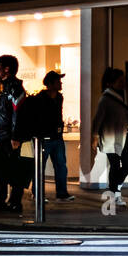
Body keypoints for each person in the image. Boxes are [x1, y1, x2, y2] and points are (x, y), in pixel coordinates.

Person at [92, 67, 128, 206]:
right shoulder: (105, 99)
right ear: (110, 83)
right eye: (120, 81)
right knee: (114, 165)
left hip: (126, 136)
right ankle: (114, 194)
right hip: (110, 138)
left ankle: (116, 188)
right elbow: (98, 119)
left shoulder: (126, 94)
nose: (123, 83)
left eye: (123, 80)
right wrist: (95, 136)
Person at [0, 54, 28, 213]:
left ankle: (12, 202)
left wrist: (15, 136)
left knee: (11, 171)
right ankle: (5, 201)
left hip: (8, 138)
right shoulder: (8, 89)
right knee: (3, 171)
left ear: (6, 69)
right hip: (3, 136)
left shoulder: (14, 89)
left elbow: (18, 114)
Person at [29, 71, 74, 201]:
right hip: (43, 138)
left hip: (57, 137)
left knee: (61, 166)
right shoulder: (39, 99)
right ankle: (37, 193)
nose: (60, 83)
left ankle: (61, 193)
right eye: (58, 81)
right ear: (50, 83)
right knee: (40, 167)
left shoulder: (59, 97)